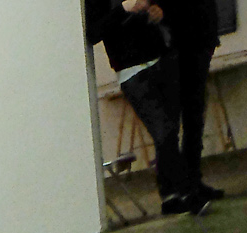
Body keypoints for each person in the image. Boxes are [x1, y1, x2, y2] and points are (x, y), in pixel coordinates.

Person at [85, 0, 208, 216]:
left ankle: (170, 197)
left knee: (168, 133)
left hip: (161, 57)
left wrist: (158, 12)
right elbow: (93, 33)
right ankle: (187, 192)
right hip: (131, 71)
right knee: (163, 132)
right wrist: (124, 8)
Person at [170, 0, 223, 202]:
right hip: (186, 45)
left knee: (195, 118)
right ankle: (188, 184)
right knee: (191, 118)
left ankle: (193, 180)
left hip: (198, 42)